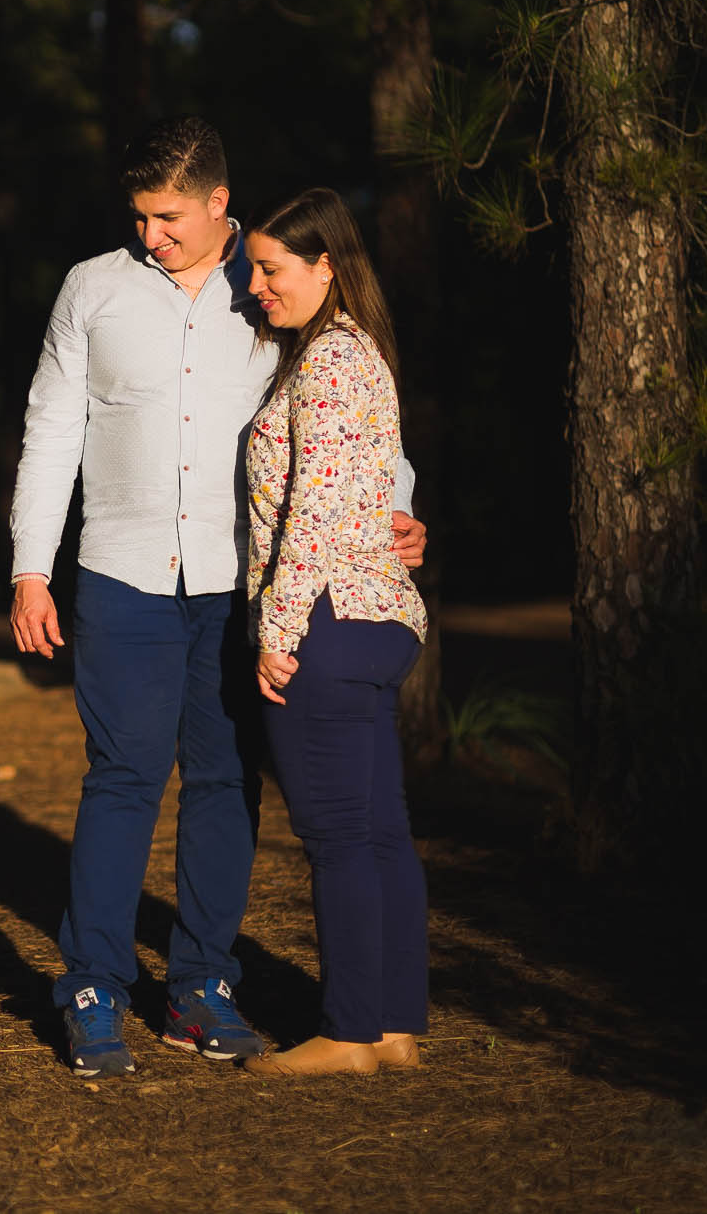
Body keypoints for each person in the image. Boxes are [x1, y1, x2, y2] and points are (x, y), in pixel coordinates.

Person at [8, 117, 424, 1080]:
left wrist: (399, 508)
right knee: (121, 776)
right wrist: (32, 566)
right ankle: (93, 986)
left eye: (167, 217)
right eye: (139, 216)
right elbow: (51, 428)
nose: (149, 234)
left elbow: (355, 416)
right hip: (121, 574)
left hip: (243, 584)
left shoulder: (274, 283)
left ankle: (201, 983)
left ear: (217, 203)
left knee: (226, 780)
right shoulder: (91, 288)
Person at [239, 188, 428, 1077]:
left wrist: (276, 630)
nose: (255, 286)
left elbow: (310, 513)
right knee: (380, 828)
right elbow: (372, 483)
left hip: (325, 619)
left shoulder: (325, 362)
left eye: (270, 268)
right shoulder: (358, 352)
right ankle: (394, 1027)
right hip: (376, 617)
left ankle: (348, 1032)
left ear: (325, 265)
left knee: (337, 836)